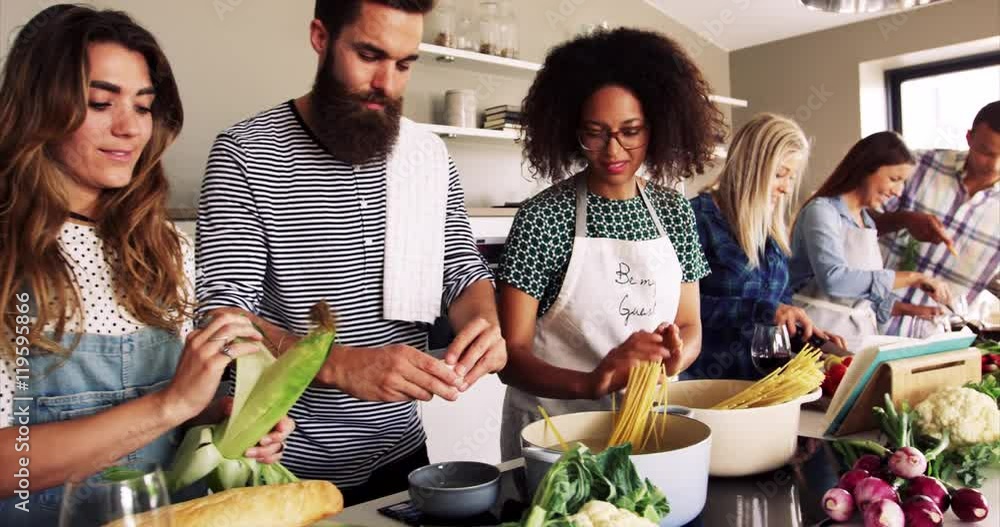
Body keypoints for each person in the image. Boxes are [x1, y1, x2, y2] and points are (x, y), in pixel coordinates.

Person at [195, 0, 506, 505]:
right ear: (321, 37)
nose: (387, 82)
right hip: (280, 463)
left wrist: (484, 324)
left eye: (404, 64)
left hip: (402, 455)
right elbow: (222, 318)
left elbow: (459, 269)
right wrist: (339, 364)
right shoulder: (245, 152)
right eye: (369, 55)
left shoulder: (425, 158)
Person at [0, 6, 290, 525]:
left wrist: (224, 422)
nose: (129, 128)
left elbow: (169, 414)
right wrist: (172, 406)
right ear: (39, 107)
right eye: (100, 102)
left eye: (144, 105)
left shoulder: (163, 246)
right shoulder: (8, 256)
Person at [496, 28, 723, 460]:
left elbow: (691, 325)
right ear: (571, 130)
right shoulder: (543, 218)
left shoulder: (674, 211)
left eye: (630, 131)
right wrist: (592, 382)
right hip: (555, 434)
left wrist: (675, 357)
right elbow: (510, 358)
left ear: (657, 126)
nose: (613, 149)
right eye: (595, 133)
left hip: (646, 429)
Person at [687, 113, 845, 381]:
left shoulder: (770, 235)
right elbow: (680, 311)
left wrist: (807, 335)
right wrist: (762, 310)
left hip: (767, 385)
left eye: (791, 177)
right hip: (711, 387)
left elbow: (779, 310)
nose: (786, 188)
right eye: (780, 174)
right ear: (750, 168)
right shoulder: (696, 219)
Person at [790, 131, 952, 350]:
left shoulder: (867, 222)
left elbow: (864, 298)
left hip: (858, 341)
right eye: (894, 179)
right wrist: (913, 278)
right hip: (817, 339)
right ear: (865, 168)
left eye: (902, 182)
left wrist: (916, 311)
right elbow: (834, 280)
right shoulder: (822, 211)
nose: (898, 191)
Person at [876, 101, 1000, 338]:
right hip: (869, 322)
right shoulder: (917, 166)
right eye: (986, 152)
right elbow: (854, 222)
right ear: (969, 138)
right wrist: (904, 219)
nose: (995, 165)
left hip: (939, 336)